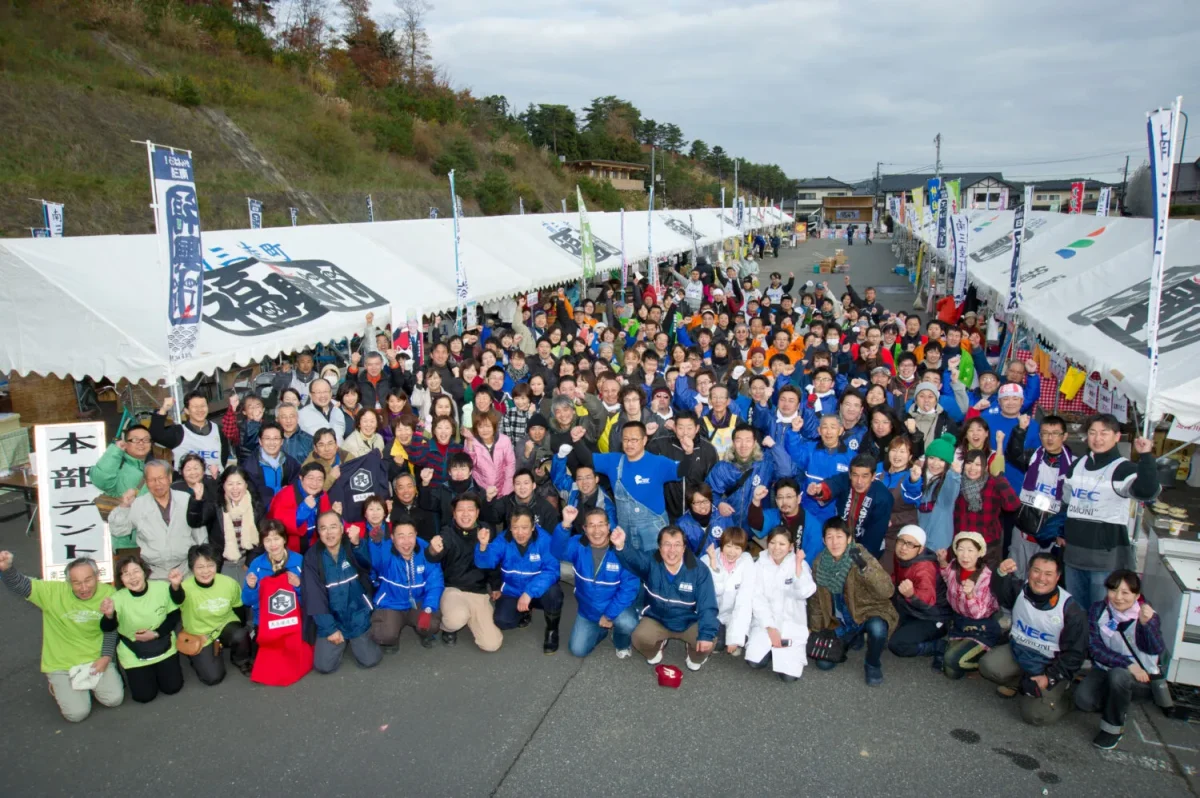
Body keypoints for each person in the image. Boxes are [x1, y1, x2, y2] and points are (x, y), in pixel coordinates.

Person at [0, 551, 123, 722]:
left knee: (113, 699)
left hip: (95, 659)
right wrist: (7, 569)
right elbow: (21, 586)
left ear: (97, 576)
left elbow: (111, 629)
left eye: (88, 580)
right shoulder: (53, 592)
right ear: (68, 582)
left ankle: (81, 686)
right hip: (61, 663)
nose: (84, 588)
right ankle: (59, 684)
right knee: (77, 714)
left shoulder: (109, 593)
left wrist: (106, 657)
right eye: (77, 583)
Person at [1062, 415, 1158, 608]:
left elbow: (1147, 491)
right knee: (1076, 615)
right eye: (1092, 433)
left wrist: (1146, 457)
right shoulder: (1077, 465)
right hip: (1073, 557)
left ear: (1116, 436)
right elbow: (1066, 502)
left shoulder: (1124, 468)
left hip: (1105, 562)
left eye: (1104, 433)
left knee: (1102, 615)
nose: (1098, 438)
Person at [980, 553, 1086, 726]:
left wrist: (1049, 677)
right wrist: (1000, 572)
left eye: (1048, 574)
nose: (1041, 578)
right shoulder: (1021, 589)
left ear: (1058, 577)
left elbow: (1076, 654)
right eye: (1036, 571)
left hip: (1050, 665)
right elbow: (1001, 593)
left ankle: (1066, 697)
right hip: (1020, 652)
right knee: (988, 666)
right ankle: (1020, 682)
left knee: (1035, 715)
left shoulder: (1071, 610)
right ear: (1029, 572)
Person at [1076, 569, 1173, 749]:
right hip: (1106, 669)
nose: (1118, 597)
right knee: (1084, 701)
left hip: (1141, 678)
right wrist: (1128, 664)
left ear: (1137, 595)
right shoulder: (1098, 609)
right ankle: (1118, 701)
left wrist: (1147, 625)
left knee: (1119, 676)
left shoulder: (1146, 614)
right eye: (1113, 590)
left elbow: (1155, 648)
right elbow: (1095, 648)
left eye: (1125, 592)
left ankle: (1112, 729)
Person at [613, 524, 719, 671]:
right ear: (659, 547)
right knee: (639, 637)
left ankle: (693, 653)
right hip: (658, 618)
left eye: (677, 545)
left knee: (709, 640)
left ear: (684, 548)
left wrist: (706, 635)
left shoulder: (699, 570)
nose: (672, 551)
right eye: (666, 544)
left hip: (689, 622)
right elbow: (635, 560)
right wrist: (621, 546)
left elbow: (708, 605)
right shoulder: (651, 560)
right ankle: (658, 645)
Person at [807, 518, 897, 686]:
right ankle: (853, 638)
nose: (834, 542)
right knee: (823, 663)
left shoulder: (859, 555)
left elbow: (887, 590)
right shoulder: (820, 562)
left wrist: (865, 568)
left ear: (849, 539)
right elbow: (816, 600)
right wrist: (816, 629)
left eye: (839, 536)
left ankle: (872, 664)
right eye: (829, 537)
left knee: (877, 629)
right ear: (823, 540)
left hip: (867, 611)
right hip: (841, 620)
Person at [552, 507, 641, 658]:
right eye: (591, 525)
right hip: (588, 610)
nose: (596, 530)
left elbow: (630, 587)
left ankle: (620, 640)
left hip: (615, 608)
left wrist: (609, 615)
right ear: (584, 529)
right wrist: (566, 523)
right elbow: (556, 551)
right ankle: (601, 630)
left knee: (628, 623)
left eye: (601, 524)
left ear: (608, 527)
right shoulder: (578, 544)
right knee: (577, 650)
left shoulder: (620, 549)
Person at [301, 510, 382, 673]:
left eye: (333, 527)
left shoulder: (353, 544)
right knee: (323, 666)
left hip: (357, 613)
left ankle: (357, 637)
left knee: (370, 660)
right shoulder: (312, 556)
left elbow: (366, 565)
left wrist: (358, 544)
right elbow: (313, 595)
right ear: (318, 531)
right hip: (332, 616)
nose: (329, 533)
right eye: (323, 528)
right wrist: (329, 628)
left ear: (341, 528)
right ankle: (340, 637)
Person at [475, 508, 564, 653]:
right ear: (510, 527)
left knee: (554, 594)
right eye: (515, 528)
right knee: (502, 621)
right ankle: (525, 612)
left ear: (533, 527)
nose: (520, 533)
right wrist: (483, 546)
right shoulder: (503, 539)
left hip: (537, 592)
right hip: (513, 590)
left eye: (524, 527)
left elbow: (552, 571)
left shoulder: (545, 540)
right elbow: (486, 563)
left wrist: (529, 593)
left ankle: (552, 631)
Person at [586, 422, 683, 552]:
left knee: (656, 566)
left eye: (634, 440)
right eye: (625, 440)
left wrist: (688, 454)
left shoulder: (658, 462)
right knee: (629, 567)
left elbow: (682, 472)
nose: (629, 444)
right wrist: (575, 440)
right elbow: (587, 459)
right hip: (625, 530)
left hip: (653, 529)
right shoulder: (614, 461)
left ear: (644, 440)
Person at [425, 493, 504, 652]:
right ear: (454, 513)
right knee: (456, 619)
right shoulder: (447, 531)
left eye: (470, 509)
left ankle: (468, 617)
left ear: (477, 512)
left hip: (479, 592)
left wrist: (496, 586)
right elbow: (434, 555)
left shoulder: (486, 531)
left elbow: (494, 563)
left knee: (492, 644)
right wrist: (432, 550)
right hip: (453, 590)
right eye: (460, 510)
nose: (466, 514)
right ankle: (448, 628)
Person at [101, 555, 184, 704]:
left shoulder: (162, 587)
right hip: (133, 650)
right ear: (121, 579)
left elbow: (174, 615)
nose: (132, 577)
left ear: (145, 572)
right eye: (126, 574)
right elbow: (107, 628)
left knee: (173, 688)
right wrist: (108, 615)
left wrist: (155, 634)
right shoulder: (116, 598)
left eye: (136, 571)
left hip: (163, 642)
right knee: (144, 696)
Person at [353, 518, 444, 651]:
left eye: (410, 535)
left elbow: (435, 581)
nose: (406, 542)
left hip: (418, 601)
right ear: (392, 537)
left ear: (416, 535)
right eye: (401, 536)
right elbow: (375, 562)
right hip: (391, 602)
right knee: (384, 635)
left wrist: (429, 607)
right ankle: (392, 638)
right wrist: (376, 544)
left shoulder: (426, 550)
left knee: (431, 624)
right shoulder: (385, 549)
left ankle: (423, 632)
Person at [108, 460, 207, 579]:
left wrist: (202, 565)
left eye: (161, 478)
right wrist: (124, 506)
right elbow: (118, 530)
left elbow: (201, 536)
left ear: (169, 478)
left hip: (186, 569)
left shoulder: (186, 499)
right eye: (151, 480)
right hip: (154, 572)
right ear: (146, 482)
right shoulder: (139, 504)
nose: (157, 483)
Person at [1006, 414, 1075, 578]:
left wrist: (1063, 532)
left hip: (1049, 533)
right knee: (1015, 574)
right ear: (1039, 436)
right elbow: (1014, 454)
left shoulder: (1074, 465)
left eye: (1055, 433)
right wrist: (1020, 430)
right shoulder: (1033, 456)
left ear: (1064, 436)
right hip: (1023, 528)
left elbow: (1073, 503)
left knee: (1041, 579)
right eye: (1045, 433)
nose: (1050, 438)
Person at [744, 527, 817, 682]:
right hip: (766, 623)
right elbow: (757, 598)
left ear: (790, 546)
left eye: (782, 544)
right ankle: (769, 647)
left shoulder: (800, 565)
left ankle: (779, 651)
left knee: (788, 677)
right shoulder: (759, 564)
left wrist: (798, 566)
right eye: (772, 543)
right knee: (754, 663)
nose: (776, 548)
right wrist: (770, 628)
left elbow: (805, 592)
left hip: (791, 624)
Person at [177, 544, 252, 683]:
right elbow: (176, 599)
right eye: (200, 567)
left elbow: (239, 608)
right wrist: (174, 587)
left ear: (217, 565)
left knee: (240, 634)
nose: (206, 571)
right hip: (200, 633)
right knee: (213, 678)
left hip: (224, 624)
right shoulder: (184, 588)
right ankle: (197, 656)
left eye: (210, 565)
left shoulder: (228, 583)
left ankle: (240, 660)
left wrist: (240, 631)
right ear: (192, 568)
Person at [935, 532, 1003, 679]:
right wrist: (942, 562)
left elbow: (978, 613)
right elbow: (947, 577)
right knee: (952, 673)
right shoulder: (954, 567)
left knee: (951, 660)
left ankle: (986, 661)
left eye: (970, 550)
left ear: (980, 552)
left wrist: (971, 595)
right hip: (960, 623)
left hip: (981, 626)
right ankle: (968, 654)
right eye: (960, 549)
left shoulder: (986, 577)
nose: (965, 555)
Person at [807, 454, 894, 560]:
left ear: (873, 476)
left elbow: (875, 536)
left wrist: (858, 560)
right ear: (849, 474)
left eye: (865, 476)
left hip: (868, 549)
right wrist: (819, 491)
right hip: (842, 541)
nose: (859, 481)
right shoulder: (844, 480)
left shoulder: (883, 498)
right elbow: (831, 485)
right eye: (855, 475)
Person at [887, 525, 951, 668]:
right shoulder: (901, 557)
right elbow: (896, 578)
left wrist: (911, 594)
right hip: (910, 608)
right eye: (901, 541)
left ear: (920, 549)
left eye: (910, 544)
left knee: (897, 645)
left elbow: (928, 601)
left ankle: (938, 646)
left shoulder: (924, 567)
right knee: (882, 623)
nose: (904, 547)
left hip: (932, 617)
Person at [953, 449, 1020, 570]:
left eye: (978, 464)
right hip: (964, 544)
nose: (973, 468)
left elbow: (1013, 505)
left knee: (987, 582)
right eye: (969, 463)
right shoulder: (957, 482)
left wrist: (999, 478)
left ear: (985, 467)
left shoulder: (993, 483)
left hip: (989, 544)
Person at [89, 424, 153, 549]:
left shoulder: (155, 467)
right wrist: (115, 450)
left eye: (146, 440)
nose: (141, 443)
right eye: (135, 439)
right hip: (127, 541)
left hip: (152, 540)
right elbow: (100, 479)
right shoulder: (119, 466)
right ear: (126, 443)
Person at [902, 433, 961, 552]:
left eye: (941, 460)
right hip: (915, 540)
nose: (935, 464)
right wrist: (914, 480)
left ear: (948, 463)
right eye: (932, 458)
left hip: (936, 544)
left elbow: (951, 493)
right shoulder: (919, 476)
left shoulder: (948, 481)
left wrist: (955, 475)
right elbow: (909, 499)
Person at [149, 393, 230, 473]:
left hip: (213, 482)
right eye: (195, 407)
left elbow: (223, 458)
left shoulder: (219, 430)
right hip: (186, 483)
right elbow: (155, 435)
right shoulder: (179, 431)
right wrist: (163, 409)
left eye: (203, 406)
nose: (200, 410)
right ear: (186, 411)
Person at [243, 520, 304, 619]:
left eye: (276, 539)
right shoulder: (256, 564)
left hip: (295, 618)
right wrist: (251, 588)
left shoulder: (299, 561)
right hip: (265, 620)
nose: (273, 544)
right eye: (267, 540)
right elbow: (247, 601)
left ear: (284, 539)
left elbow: (311, 597)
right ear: (263, 542)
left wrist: (299, 586)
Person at [267, 462, 332, 553]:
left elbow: (327, 521)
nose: (315, 483)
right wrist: (304, 509)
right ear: (301, 478)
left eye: (319, 479)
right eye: (310, 478)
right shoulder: (284, 495)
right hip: (289, 550)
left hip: (315, 547)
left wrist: (335, 515)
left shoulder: (322, 495)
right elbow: (279, 526)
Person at [243, 421, 302, 506]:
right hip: (261, 512)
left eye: (276, 438)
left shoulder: (291, 463)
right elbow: (251, 494)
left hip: (286, 508)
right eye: (267, 438)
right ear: (260, 441)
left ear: (282, 441)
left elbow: (297, 485)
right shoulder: (249, 467)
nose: (272, 443)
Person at [462, 409, 516, 500]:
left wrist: (506, 491)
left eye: (488, 426)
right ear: (476, 429)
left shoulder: (504, 440)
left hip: (503, 489)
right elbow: (469, 465)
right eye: (481, 427)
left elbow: (510, 465)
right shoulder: (470, 441)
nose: (485, 430)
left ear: (494, 427)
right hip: (481, 490)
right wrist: (470, 442)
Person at [298, 379, 347, 445]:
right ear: (310, 394)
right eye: (318, 392)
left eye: (326, 391)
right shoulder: (301, 415)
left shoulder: (339, 410)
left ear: (331, 393)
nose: (322, 395)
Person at [302, 427, 343, 492]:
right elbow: (310, 492)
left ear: (336, 444)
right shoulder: (308, 465)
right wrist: (331, 478)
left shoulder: (347, 457)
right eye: (321, 445)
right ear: (315, 448)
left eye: (330, 443)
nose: (327, 449)